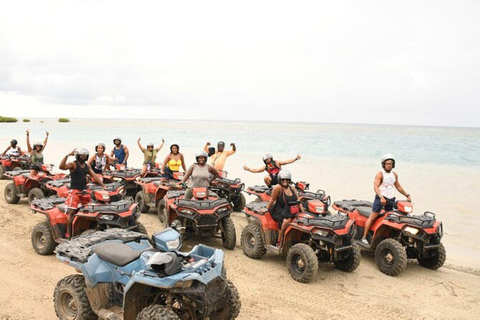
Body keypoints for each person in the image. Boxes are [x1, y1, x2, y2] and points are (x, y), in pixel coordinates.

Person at [360, 154, 412, 246]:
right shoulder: (380, 174)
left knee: (391, 218)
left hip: (391, 199)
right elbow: (375, 187)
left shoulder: (394, 174)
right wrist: (381, 197)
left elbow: (398, 187)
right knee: (373, 216)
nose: (389, 165)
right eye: (387, 164)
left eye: (391, 164)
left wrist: (407, 195)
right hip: (380, 198)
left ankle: (388, 237)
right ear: (383, 164)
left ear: (393, 165)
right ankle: (364, 237)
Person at [59, 148, 106, 237]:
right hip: (74, 191)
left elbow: (94, 176)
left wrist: (103, 185)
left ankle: (87, 227)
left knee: (91, 208)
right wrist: (68, 154)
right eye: (82, 155)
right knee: (72, 211)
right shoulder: (73, 164)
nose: (83, 157)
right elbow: (61, 167)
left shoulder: (87, 166)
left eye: (85, 155)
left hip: (84, 191)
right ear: (78, 156)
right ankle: (68, 232)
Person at [266, 170, 304, 246]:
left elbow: (298, 200)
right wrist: (266, 209)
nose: (285, 181)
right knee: (286, 222)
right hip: (280, 209)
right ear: (280, 180)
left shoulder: (292, 188)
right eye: (283, 179)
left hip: (292, 209)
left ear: (289, 180)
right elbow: (272, 200)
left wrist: (303, 212)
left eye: (287, 179)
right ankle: (279, 241)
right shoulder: (278, 188)